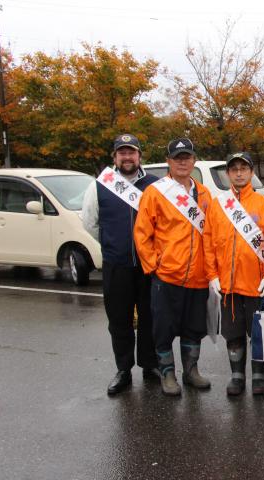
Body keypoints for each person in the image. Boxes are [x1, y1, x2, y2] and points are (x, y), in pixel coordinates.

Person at [82, 134, 160, 395]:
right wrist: (113, 243)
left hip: (149, 266)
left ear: (140, 156)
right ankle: (123, 369)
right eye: (122, 153)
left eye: (132, 152)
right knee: (119, 319)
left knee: (150, 317)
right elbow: (90, 223)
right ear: (114, 157)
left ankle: (151, 365)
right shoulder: (100, 185)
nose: (127, 157)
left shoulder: (156, 185)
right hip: (117, 265)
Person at [134, 138, 213, 396]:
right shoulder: (156, 192)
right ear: (168, 161)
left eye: (187, 157)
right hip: (167, 275)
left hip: (198, 277)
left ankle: (191, 371)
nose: (182, 161)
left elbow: (212, 234)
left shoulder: (204, 194)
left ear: (194, 161)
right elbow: (142, 233)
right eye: (177, 157)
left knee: (193, 327)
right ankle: (168, 373)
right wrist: (153, 265)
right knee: (163, 328)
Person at [203, 152, 264, 396]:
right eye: (233, 168)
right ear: (227, 174)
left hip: (257, 285)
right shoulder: (217, 204)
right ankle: (236, 375)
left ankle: (258, 376)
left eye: (243, 168)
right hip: (228, 286)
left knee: (258, 333)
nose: (238, 172)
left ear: (251, 172)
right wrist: (212, 274)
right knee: (233, 334)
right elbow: (209, 241)